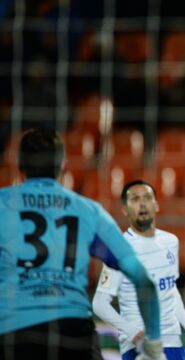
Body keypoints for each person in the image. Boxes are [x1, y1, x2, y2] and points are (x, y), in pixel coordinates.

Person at [0, 128, 164, 360]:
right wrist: (154, 341)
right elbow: (142, 278)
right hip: (73, 334)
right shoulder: (89, 211)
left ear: (19, 165)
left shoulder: (3, 204)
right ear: (64, 165)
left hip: (14, 334)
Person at [93, 180, 185, 360]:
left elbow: (170, 290)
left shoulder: (171, 242)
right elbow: (100, 302)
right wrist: (131, 331)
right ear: (124, 209)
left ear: (156, 204)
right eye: (135, 199)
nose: (143, 203)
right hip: (139, 346)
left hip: (173, 342)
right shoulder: (119, 249)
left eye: (147, 198)